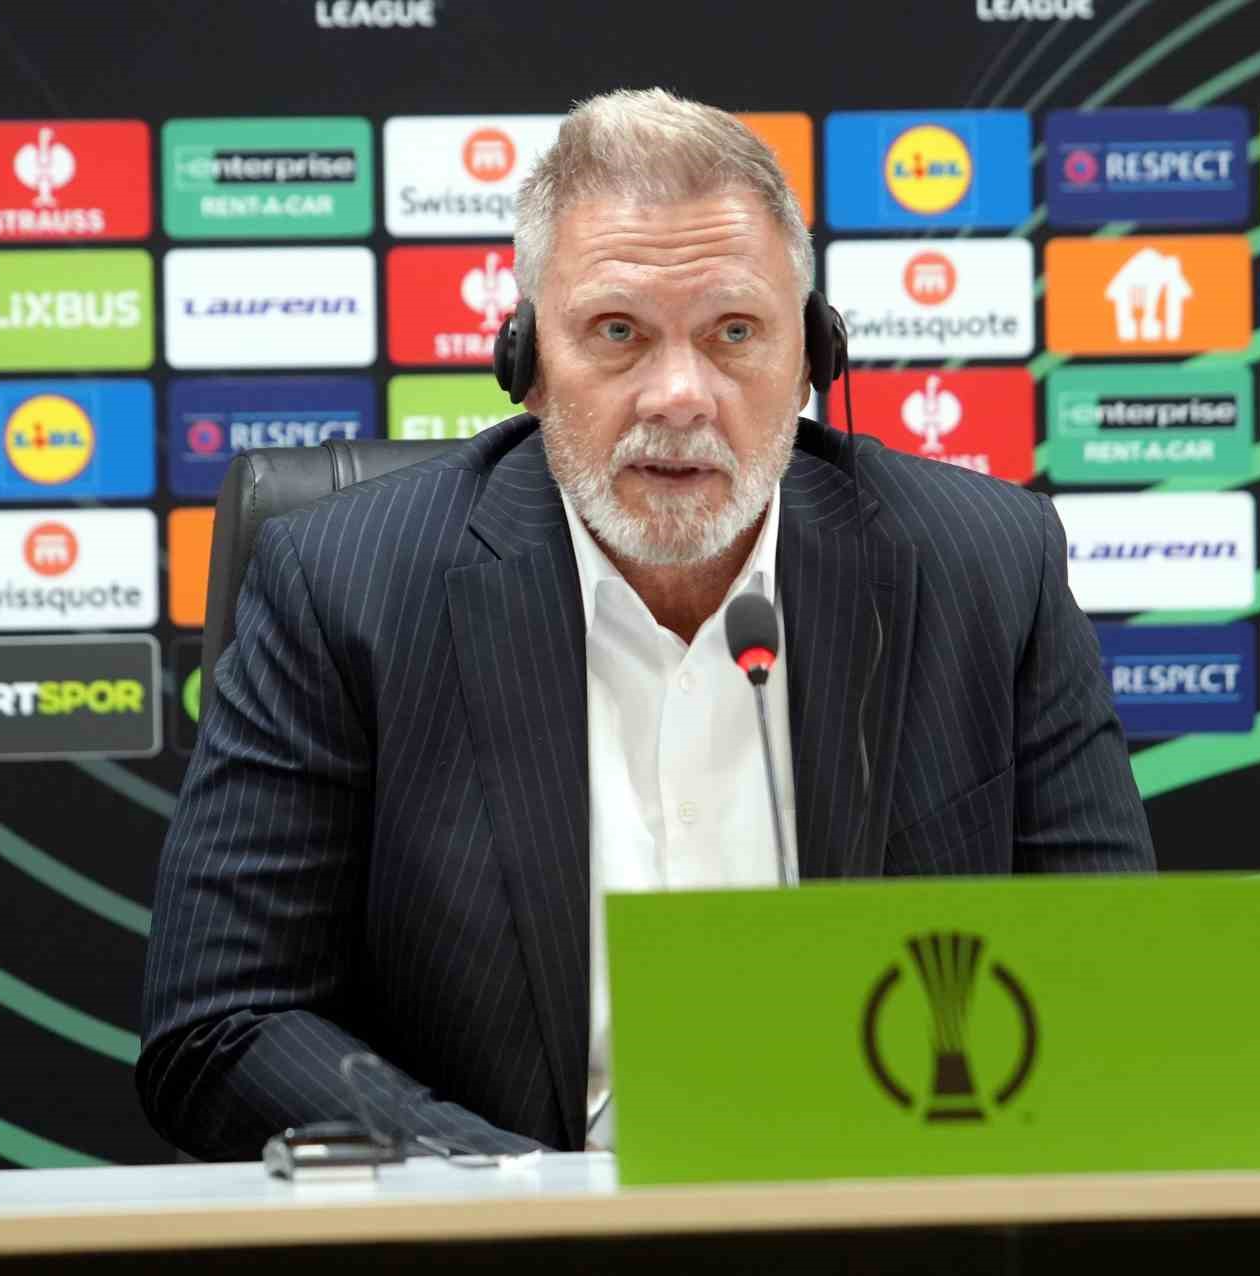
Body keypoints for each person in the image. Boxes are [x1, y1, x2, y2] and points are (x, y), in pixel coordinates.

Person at [138, 88, 1153, 1161]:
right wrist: (511, 1190)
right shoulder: (347, 586)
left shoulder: (984, 568)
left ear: (812, 358)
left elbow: (1119, 984)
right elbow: (221, 1021)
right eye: (618, 333)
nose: (680, 395)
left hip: (884, 1204)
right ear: (527, 362)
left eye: (734, 333)